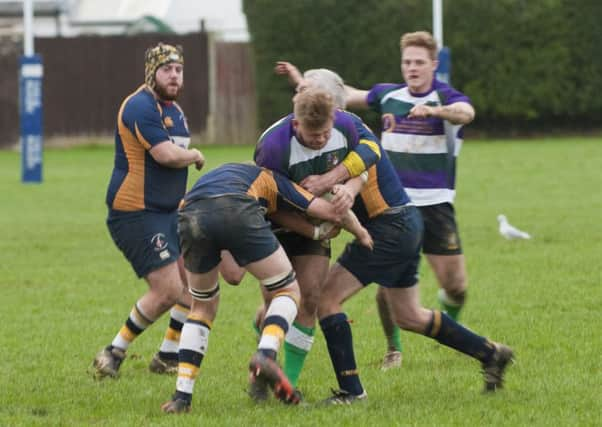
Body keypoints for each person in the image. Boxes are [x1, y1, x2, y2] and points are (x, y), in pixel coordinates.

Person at [278, 29, 476, 369]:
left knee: (455, 285)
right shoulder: (389, 95)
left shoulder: (444, 96)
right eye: (406, 62)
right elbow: (342, 97)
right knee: (387, 284)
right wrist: (305, 84)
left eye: (418, 62)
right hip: (393, 206)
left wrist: (434, 113)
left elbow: (465, 113)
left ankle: (450, 325)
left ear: (433, 65)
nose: (412, 68)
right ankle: (393, 348)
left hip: (434, 204)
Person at [160, 162, 372, 413]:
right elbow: (329, 211)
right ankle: (266, 354)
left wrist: (313, 233)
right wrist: (356, 231)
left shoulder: (225, 174)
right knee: (288, 291)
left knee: (202, 308)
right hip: (237, 207)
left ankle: (181, 398)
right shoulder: (274, 180)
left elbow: (234, 275)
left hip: (190, 214)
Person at [252, 86, 381, 389]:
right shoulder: (272, 147)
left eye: (325, 133)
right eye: (313, 136)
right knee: (279, 303)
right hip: (276, 221)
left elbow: (371, 151)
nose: (321, 140)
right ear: (296, 125)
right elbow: (267, 204)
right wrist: (312, 228)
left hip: (318, 221)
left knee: (309, 298)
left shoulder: (345, 124)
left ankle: (289, 383)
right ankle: (261, 358)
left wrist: (344, 186)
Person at [92, 42, 205, 379]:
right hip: (135, 213)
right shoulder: (139, 106)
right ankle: (113, 351)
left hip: (168, 211)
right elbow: (166, 156)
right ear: (152, 72)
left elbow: (174, 168)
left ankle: (167, 356)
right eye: (167, 69)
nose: (174, 75)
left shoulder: (174, 110)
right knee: (169, 290)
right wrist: (196, 154)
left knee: (193, 284)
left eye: (179, 69)